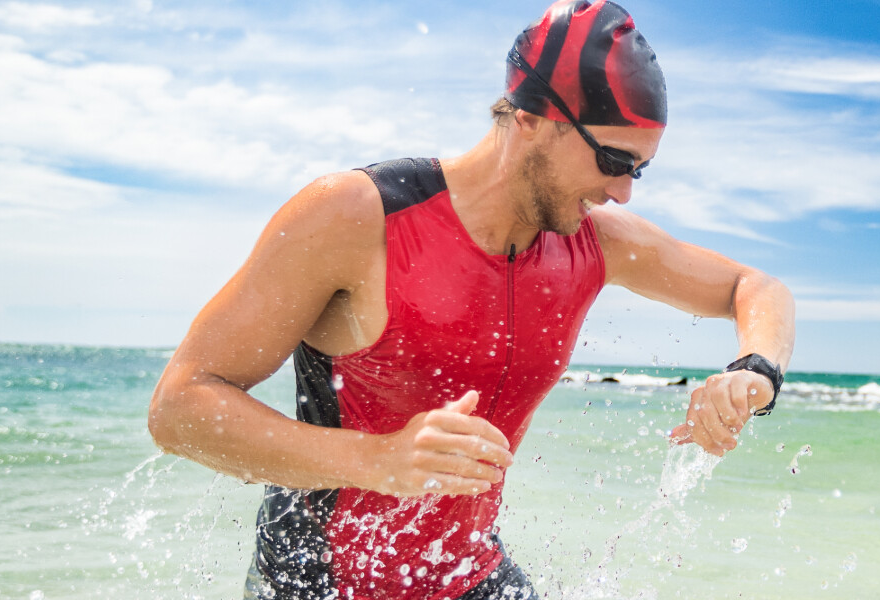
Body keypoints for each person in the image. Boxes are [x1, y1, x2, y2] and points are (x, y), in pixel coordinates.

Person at [146, 1, 796, 598]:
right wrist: (378, 460)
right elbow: (178, 406)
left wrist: (753, 372)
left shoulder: (595, 243)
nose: (624, 193)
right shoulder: (356, 216)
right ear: (535, 119)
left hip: (467, 575)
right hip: (316, 582)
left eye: (639, 170)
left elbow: (755, 288)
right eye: (613, 161)